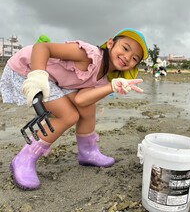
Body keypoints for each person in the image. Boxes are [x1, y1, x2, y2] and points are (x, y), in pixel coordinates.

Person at [0, 28, 148, 190]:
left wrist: (112, 87)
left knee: (87, 108)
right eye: (125, 48)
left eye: (134, 58)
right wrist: (37, 75)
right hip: (30, 67)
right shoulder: (89, 54)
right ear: (111, 43)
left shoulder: (104, 78)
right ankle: (24, 159)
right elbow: (42, 48)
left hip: (58, 79)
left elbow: (82, 100)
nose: (127, 57)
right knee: (68, 116)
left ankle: (88, 152)